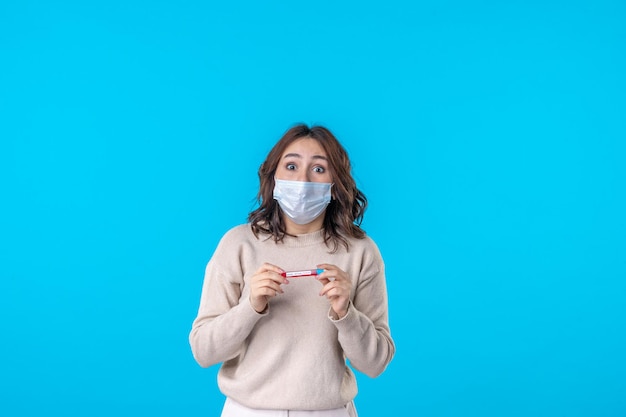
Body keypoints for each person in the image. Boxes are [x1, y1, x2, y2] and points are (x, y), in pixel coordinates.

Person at [189, 123, 395, 417]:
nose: (303, 180)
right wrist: (251, 306)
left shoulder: (361, 252)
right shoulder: (238, 244)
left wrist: (346, 313)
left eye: (319, 169)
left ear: (336, 184)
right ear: (273, 178)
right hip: (248, 411)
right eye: (291, 166)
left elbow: (376, 363)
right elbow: (203, 351)